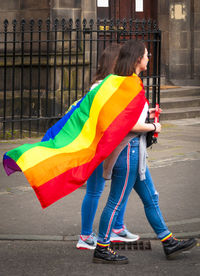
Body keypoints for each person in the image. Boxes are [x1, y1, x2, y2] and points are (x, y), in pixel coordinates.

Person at [93, 40, 197, 264]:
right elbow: (127, 125)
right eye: (146, 55)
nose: (149, 58)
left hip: (135, 153)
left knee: (151, 197)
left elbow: (129, 116)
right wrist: (153, 126)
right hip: (127, 152)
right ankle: (102, 248)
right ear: (137, 58)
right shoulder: (127, 84)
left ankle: (168, 241)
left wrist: (146, 113)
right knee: (116, 201)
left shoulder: (127, 82)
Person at [76, 44, 139, 250]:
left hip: (113, 147)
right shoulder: (100, 87)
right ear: (115, 61)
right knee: (95, 191)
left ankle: (117, 228)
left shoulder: (114, 84)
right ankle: (85, 236)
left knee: (119, 189)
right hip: (99, 148)